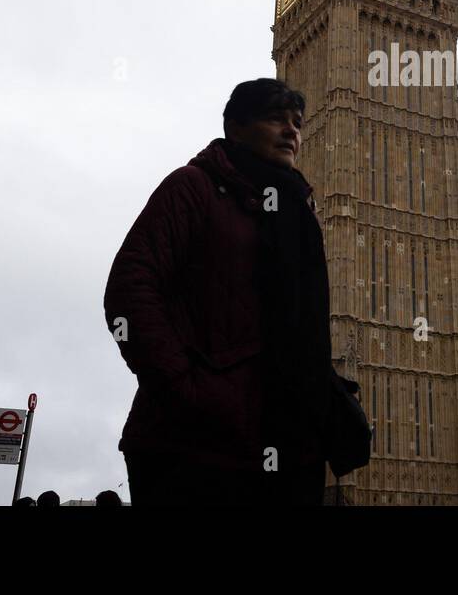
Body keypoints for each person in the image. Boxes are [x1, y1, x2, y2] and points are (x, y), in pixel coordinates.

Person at [105, 78, 359, 505]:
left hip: (289, 445)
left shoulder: (298, 207)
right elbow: (128, 293)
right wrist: (187, 392)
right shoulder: (194, 186)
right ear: (235, 127)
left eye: (297, 122)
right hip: (196, 448)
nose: (291, 131)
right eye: (275, 119)